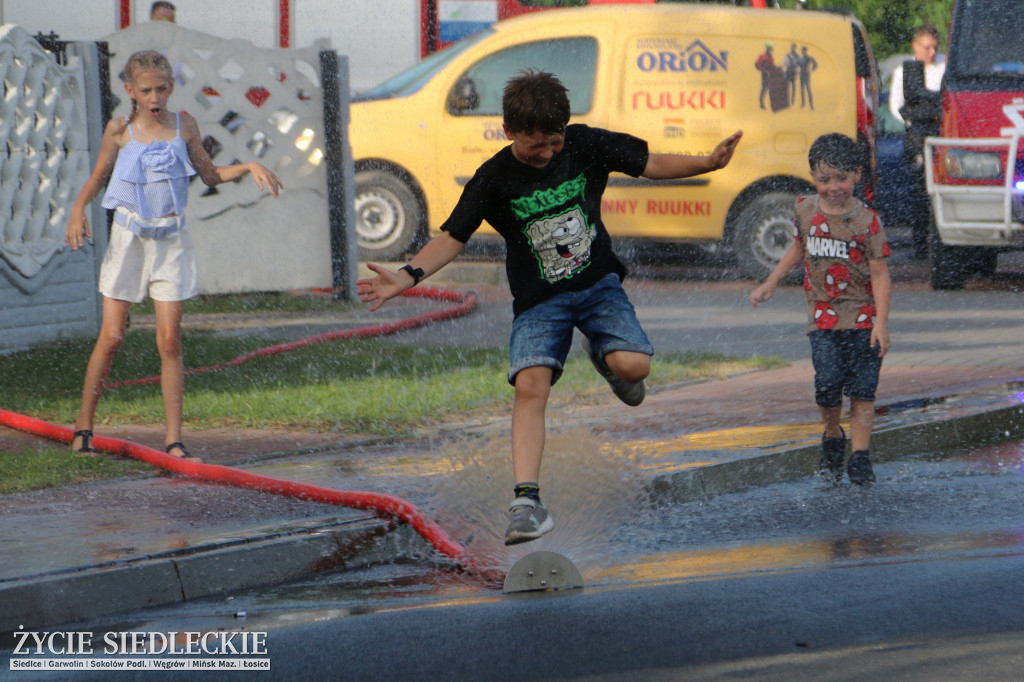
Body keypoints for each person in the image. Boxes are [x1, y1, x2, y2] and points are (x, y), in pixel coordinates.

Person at [358, 69, 741, 545]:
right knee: (529, 385)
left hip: (598, 285)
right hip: (540, 302)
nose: (546, 154)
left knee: (635, 368)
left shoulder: (586, 145)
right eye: (534, 145)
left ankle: (606, 358)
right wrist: (408, 276)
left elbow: (651, 163)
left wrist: (707, 163)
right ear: (509, 132)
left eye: (554, 142)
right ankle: (526, 503)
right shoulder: (494, 178)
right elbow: (453, 236)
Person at [65, 50, 282, 461]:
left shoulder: (184, 126)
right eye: (145, 90)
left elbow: (210, 174)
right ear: (130, 90)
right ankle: (83, 427)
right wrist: (78, 208)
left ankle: (174, 440)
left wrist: (249, 165)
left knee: (169, 340)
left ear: (171, 88)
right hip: (129, 239)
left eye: (161, 88)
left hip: (170, 240)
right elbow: (99, 177)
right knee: (112, 335)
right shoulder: (119, 130)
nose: (154, 96)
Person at [749, 133, 890, 487]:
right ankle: (832, 434)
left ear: (857, 175)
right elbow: (798, 247)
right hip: (822, 319)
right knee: (827, 385)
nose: (833, 187)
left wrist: (881, 325)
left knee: (862, 390)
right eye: (824, 179)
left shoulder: (867, 221)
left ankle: (860, 457)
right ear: (813, 177)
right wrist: (771, 282)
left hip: (862, 318)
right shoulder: (804, 209)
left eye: (841, 178)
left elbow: (880, 273)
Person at [889, 24, 945, 259]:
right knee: (921, 192)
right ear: (915, 46)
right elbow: (895, 106)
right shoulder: (904, 71)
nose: (931, 52)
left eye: (934, 47)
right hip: (918, 136)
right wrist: (914, 124)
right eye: (927, 47)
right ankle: (922, 245)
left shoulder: (946, 65)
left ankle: (942, 242)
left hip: (942, 135)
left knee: (940, 191)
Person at [799, 45, 817, 110]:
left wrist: (811, 69)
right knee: (802, 90)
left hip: (806, 75)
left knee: (808, 90)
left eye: (803, 50)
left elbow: (815, 63)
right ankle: (803, 104)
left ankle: (811, 105)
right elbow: (797, 64)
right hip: (801, 75)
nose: (802, 52)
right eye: (801, 50)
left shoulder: (809, 58)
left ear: (805, 51)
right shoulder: (800, 58)